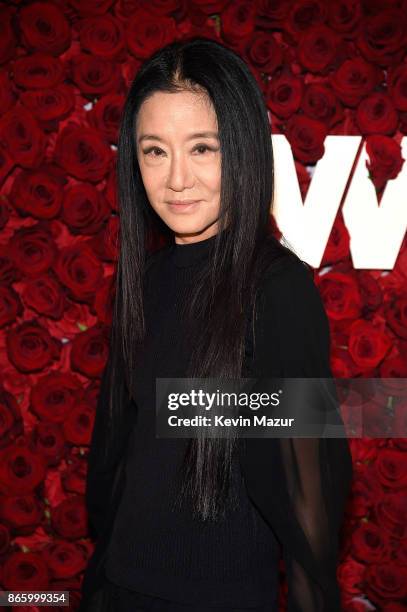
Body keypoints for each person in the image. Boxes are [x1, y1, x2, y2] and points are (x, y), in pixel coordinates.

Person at [79, 37, 353, 612]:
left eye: (202, 148)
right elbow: (123, 452)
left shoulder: (278, 290)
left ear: (245, 149)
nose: (176, 179)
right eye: (155, 151)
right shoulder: (145, 280)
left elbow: (310, 506)